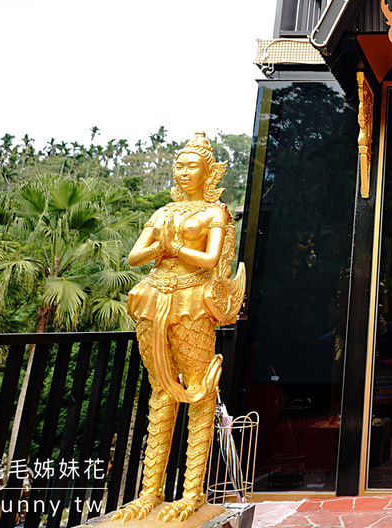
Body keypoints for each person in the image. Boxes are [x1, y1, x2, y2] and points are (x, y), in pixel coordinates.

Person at [112, 133, 244, 522]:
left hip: (191, 303)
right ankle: (149, 492)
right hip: (154, 299)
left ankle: (191, 492)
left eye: (192, 166)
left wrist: (175, 248)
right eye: (180, 165)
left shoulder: (214, 213)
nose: (183, 172)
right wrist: (161, 248)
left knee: (200, 390)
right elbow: (136, 255)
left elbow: (209, 259)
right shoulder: (164, 212)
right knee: (160, 391)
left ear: (207, 172)